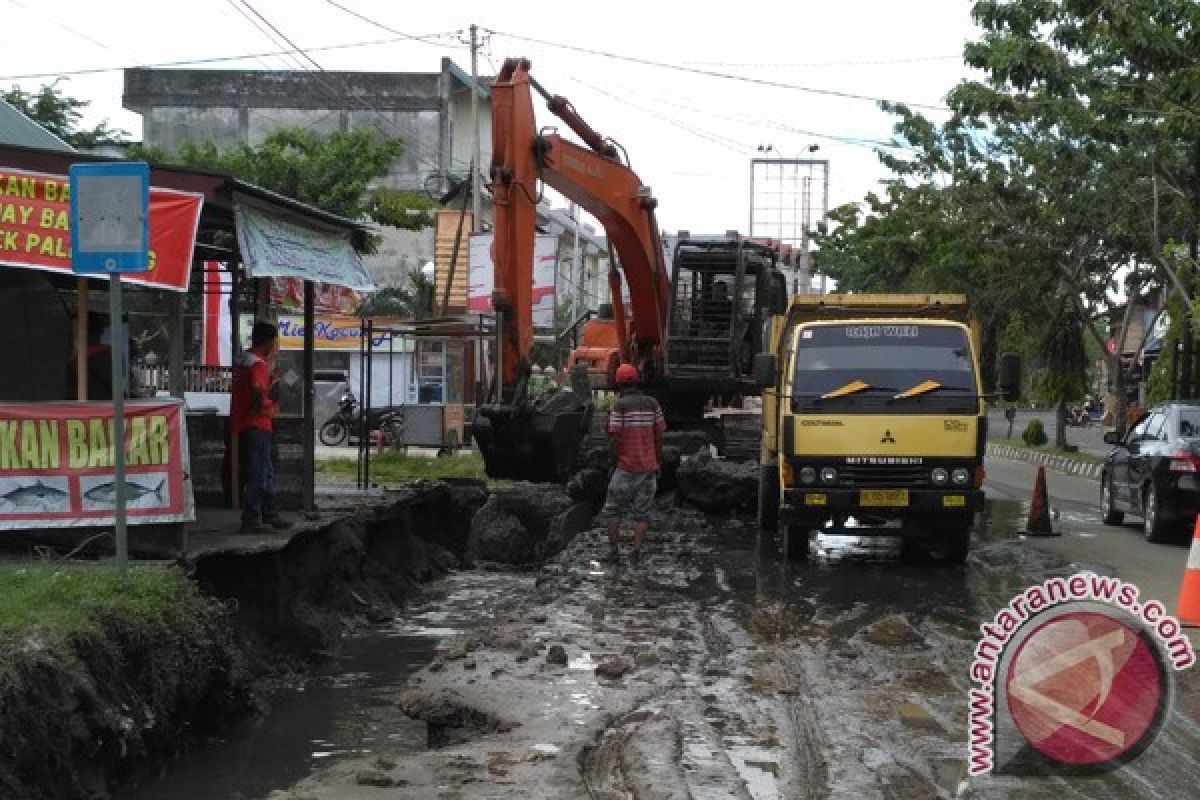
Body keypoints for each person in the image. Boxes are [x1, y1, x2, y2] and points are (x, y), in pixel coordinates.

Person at [602, 363, 666, 564]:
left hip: (625, 468)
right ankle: (635, 553)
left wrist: (613, 462)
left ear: (619, 384)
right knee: (642, 515)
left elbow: (614, 438)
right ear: (637, 381)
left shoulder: (620, 406)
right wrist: (658, 460)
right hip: (648, 469)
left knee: (613, 510)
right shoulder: (653, 404)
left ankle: (614, 552)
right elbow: (659, 435)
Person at [231, 321, 291, 534]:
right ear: (269, 341)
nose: (276, 345)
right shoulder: (258, 364)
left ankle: (269, 513)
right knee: (260, 472)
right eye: (275, 341)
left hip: (245, 423)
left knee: (265, 470)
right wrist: (266, 406)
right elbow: (257, 388)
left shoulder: (244, 359)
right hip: (257, 423)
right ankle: (252, 519)